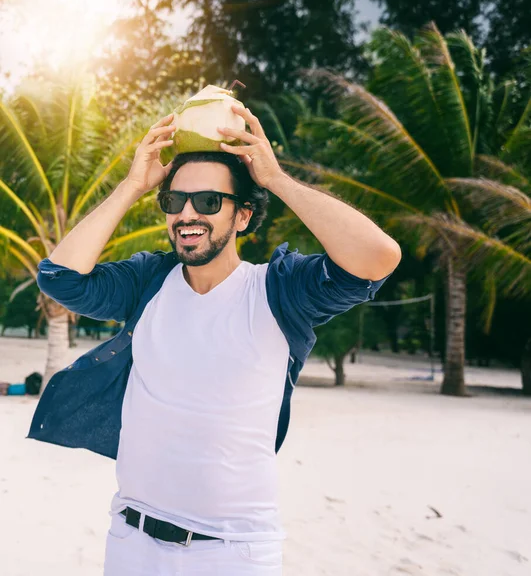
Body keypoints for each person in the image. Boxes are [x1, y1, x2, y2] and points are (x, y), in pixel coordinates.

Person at [29, 104, 401, 575]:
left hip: (231, 553)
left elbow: (377, 258)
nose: (187, 214)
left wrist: (278, 181)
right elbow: (60, 278)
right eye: (174, 201)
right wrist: (132, 186)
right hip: (130, 542)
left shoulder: (278, 290)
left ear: (243, 216)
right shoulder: (148, 281)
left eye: (208, 202)